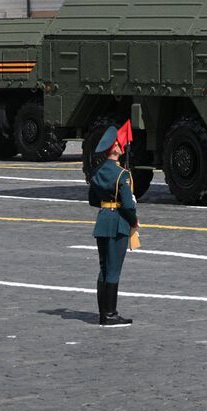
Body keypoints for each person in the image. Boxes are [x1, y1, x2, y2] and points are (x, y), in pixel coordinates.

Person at [87, 122, 140, 327]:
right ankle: (110, 314)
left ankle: (103, 313)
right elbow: (127, 205)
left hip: (102, 221)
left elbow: (92, 200)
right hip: (118, 222)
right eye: (120, 144)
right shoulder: (122, 175)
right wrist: (133, 219)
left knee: (104, 268)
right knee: (114, 269)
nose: (122, 146)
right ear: (115, 149)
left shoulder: (98, 172)